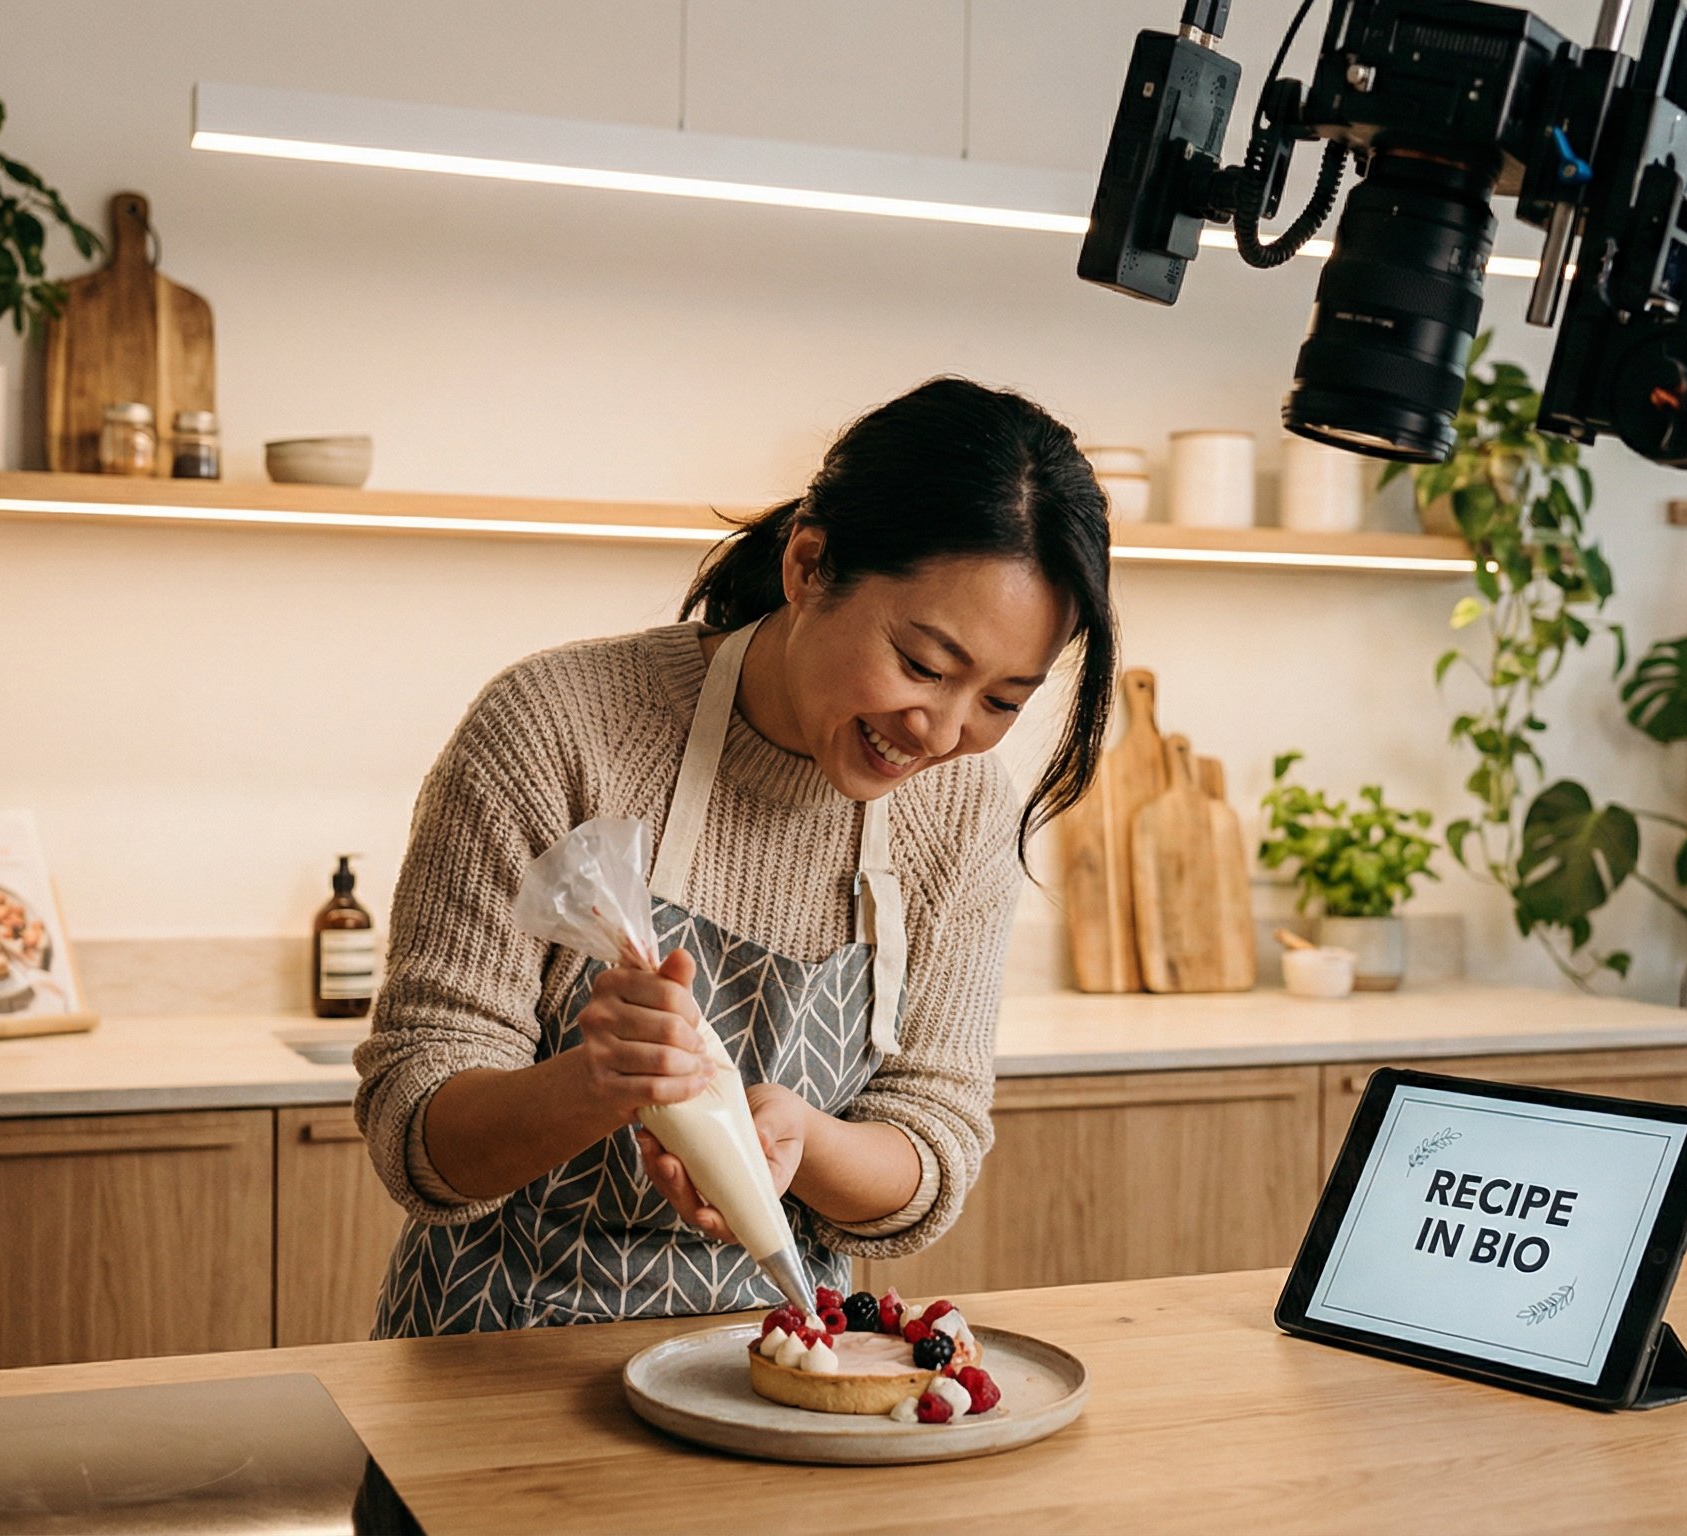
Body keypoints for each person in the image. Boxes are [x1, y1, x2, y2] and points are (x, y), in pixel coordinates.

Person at [354, 377, 1118, 1336]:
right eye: (924, 666)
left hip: (783, 1360)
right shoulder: (557, 728)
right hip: (501, 1352)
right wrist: (594, 1082)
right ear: (809, 563)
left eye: (1002, 700)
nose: (942, 731)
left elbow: (936, 1139)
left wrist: (807, 1140)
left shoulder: (961, 812)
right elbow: (415, 1130)